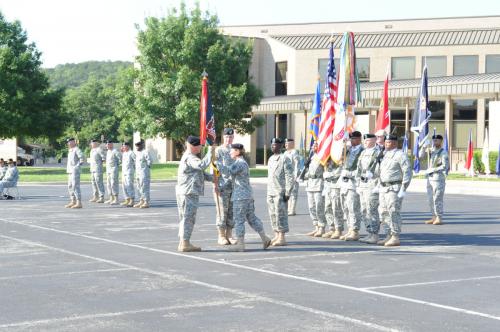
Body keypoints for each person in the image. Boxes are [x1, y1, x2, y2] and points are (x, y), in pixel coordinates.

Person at [221, 143, 272, 251]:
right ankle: (265, 238)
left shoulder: (240, 163)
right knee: (251, 218)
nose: (230, 152)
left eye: (232, 150)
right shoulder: (241, 163)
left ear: (238, 152)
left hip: (241, 197)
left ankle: (241, 244)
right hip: (246, 195)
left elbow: (228, 171)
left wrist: (219, 163)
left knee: (239, 220)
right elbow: (231, 177)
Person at [176, 136, 213, 252]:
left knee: (185, 218)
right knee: (188, 218)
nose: (201, 148)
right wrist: (210, 153)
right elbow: (201, 165)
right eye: (199, 146)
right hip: (189, 192)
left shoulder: (189, 157)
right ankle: (185, 243)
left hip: (186, 191)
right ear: (193, 146)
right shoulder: (190, 157)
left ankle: (183, 242)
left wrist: (214, 178)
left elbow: (199, 172)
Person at [377, 134, 412, 247]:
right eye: (386, 142)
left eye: (389, 142)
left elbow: (407, 172)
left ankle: (395, 236)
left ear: (395, 143)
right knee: (383, 212)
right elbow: (381, 172)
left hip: (394, 188)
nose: (387, 144)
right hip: (383, 187)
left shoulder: (400, 155)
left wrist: (404, 188)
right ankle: (388, 234)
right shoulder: (384, 155)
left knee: (393, 211)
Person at [266, 137, 294, 246]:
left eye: (276, 145)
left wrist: (288, 192)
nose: (273, 146)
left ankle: (282, 237)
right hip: (271, 191)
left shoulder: (285, 158)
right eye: (272, 145)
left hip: (280, 191)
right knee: (272, 214)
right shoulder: (271, 158)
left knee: (280, 214)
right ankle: (276, 235)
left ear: (281, 146)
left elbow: (289, 176)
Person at [356, 134, 381, 244]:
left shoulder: (378, 153)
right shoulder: (363, 152)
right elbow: (358, 169)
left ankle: (375, 234)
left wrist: (374, 175)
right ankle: (369, 232)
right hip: (363, 184)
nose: (365, 141)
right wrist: (358, 183)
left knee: (372, 209)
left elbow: (381, 169)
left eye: (368, 140)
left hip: (372, 184)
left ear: (374, 140)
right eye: (365, 140)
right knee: (364, 210)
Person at [339, 131, 364, 241]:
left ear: (358, 139)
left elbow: (361, 168)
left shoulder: (362, 151)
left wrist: (350, 174)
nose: (351, 141)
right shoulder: (348, 150)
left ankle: (355, 230)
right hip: (345, 183)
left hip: (354, 182)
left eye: (353, 139)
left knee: (353, 207)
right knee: (346, 207)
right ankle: (350, 228)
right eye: (350, 139)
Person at [213, 128, 236, 245]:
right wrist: (215, 183)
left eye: (231, 137)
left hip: (234, 186)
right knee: (222, 211)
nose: (229, 139)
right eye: (227, 137)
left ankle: (229, 234)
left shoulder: (236, 150)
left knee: (232, 211)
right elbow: (215, 167)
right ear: (223, 137)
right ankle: (221, 235)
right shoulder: (219, 150)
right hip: (222, 185)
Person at [425, 134, 449, 225]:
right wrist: (424, 148)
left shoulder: (443, 153)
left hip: (438, 179)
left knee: (437, 199)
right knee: (430, 199)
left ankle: (439, 217)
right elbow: (420, 156)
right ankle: (433, 216)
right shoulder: (431, 151)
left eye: (436, 141)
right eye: (433, 140)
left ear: (441, 141)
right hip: (430, 179)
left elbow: (445, 166)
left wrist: (433, 169)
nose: (434, 142)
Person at [304, 142, 327, 237]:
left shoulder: (323, 157)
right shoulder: (311, 157)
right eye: (313, 145)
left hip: (318, 184)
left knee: (319, 206)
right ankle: (316, 226)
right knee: (311, 206)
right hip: (310, 184)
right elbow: (307, 171)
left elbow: (326, 170)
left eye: (316, 145)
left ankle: (322, 227)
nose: (313, 147)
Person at [322, 158, 344, 239]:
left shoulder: (341, 155)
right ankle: (332, 228)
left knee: (336, 208)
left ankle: (338, 229)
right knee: (328, 207)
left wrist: (328, 175)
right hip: (328, 185)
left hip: (336, 185)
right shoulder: (329, 157)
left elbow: (340, 170)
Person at [284, 138, 301, 216]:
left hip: (293, 176)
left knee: (293, 193)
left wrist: (296, 175)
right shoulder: (285, 153)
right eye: (285, 144)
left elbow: (297, 164)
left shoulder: (294, 152)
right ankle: (288, 209)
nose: (286, 145)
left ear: (291, 144)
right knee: (287, 193)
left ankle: (292, 210)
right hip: (286, 177)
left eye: (287, 144)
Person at [65, 138, 84, 209]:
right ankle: (73, 201)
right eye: (68, 142)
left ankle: (79, 202)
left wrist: (78, 166)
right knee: (70, 186)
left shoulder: (76, 149)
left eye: (69, 142)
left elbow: (82, 158)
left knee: (75, 186)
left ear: (73, 142)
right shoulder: (70, 150)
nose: (68, 144)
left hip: (75, 171)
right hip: (70, 171)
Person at [134, 140, 151, 208]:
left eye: (138, 146)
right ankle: (141, 201)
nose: (137, 147)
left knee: (144, 188)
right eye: (136, 146)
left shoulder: (145, 152)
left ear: (142, 145)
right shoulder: (138, 153)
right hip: (138, 173)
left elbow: (149, 161)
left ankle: (146, 202)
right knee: (139, 188)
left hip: (144, 174)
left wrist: (146, 169)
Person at [105, 140, 121, 205]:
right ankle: (111, 198)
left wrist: (116, 165)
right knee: (108, 184)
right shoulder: (108, 151)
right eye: (106, 144)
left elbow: (120, 159)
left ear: (111, 144)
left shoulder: (115, 151)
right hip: (108, 170)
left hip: (113, 170)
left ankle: (116, 199)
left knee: (113, 184)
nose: (107, 145)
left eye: (108, 144)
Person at [121, 142, 136, 207]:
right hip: (124, 172)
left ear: (128, 146)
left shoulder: (131, 153)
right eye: (123, 146)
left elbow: (136, 161)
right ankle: (127, 199)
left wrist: (135, 169)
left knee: (129, 186)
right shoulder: (124, 153)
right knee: (124, 186)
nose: (123, 147)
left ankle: (132, 200)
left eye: (124, 146)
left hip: (129, 172)